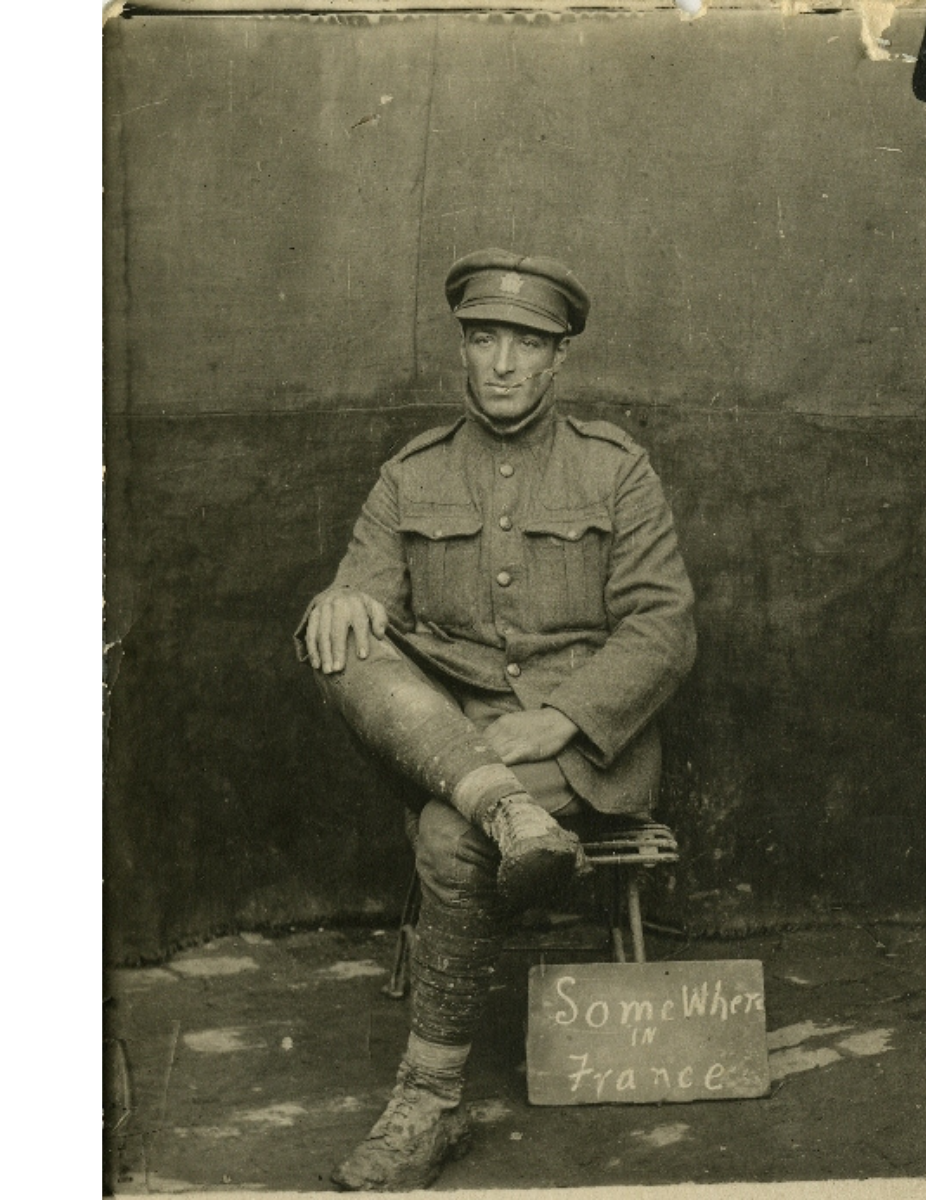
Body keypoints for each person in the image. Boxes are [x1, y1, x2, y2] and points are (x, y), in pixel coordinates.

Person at [298, 249, 697, 1191]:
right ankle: (495, 803)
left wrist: (560, 717)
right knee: (334, 630)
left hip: (581, 749)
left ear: (559, 360)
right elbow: (364, 590)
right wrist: (344, 594)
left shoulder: (616, 467)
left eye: (527, 345)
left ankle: (429, 1101)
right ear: (463, 352)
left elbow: (664, 627)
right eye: (485, 340)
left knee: (447, 836)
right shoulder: (412, 473)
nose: (505, 365)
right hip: (445, 734)